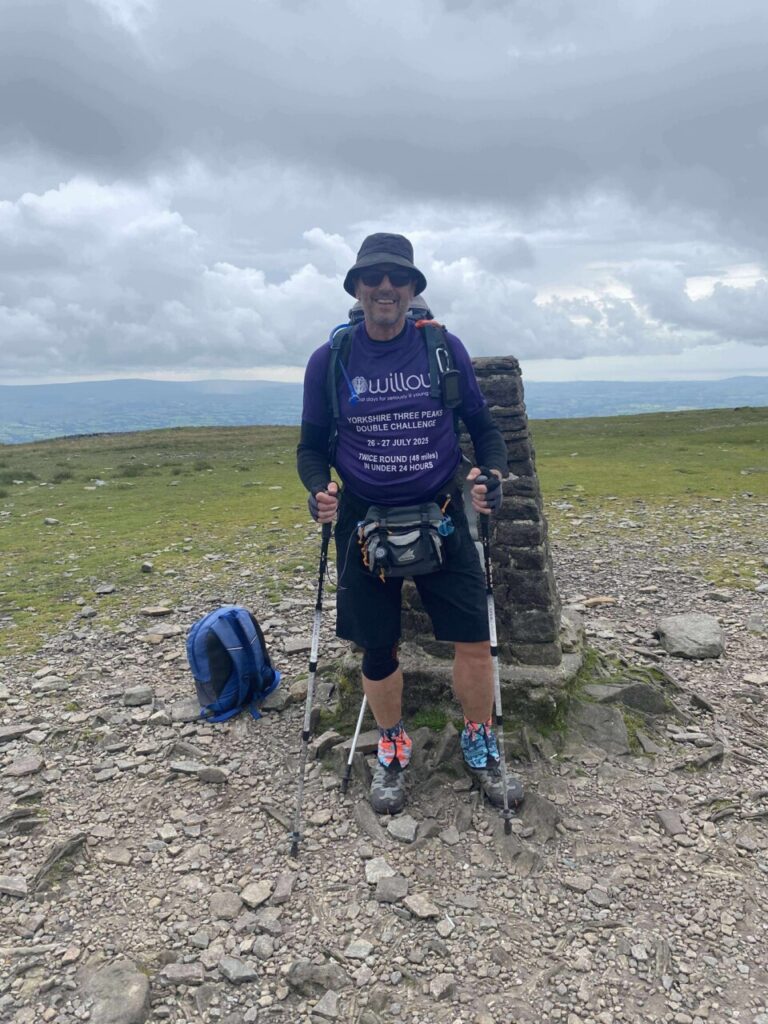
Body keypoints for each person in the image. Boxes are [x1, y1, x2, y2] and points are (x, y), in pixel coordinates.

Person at [297, 232, 524, 815]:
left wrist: (490, 474)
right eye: (372, 278)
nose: (385, 288)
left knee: (473, 637)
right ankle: (393, 746)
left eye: (398, 278)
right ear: (356, 288)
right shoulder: (331, 360)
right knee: (378, 645)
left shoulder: (442, 349)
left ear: (413, 289)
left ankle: (479, 742)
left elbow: (484, 427)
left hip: (442, 514)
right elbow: (310, 447)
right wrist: (319, 489)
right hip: (363, 522)